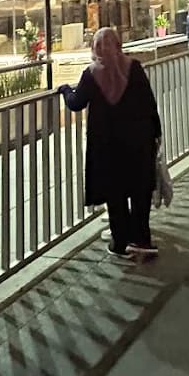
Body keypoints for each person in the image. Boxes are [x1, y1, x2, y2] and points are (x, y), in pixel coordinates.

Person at [59, 27, 162, 260]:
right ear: (118, 45)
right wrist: (156, 133)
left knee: (115, 193)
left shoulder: (91, 74)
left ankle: (121, 242)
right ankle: (142, 239)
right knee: (139, 190)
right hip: (138, 141)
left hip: (107, 146)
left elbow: (76, 103)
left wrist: (65, 90)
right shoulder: (134, 67)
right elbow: (149, 102)